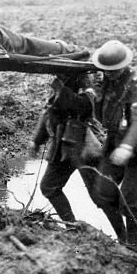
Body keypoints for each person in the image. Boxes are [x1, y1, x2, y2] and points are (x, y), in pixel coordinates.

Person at [87, 40, 137, 250]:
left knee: (129, 199)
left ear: (123, 66)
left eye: (113, 70)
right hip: (114, 143)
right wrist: (98, 94)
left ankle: (131, 246)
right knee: (102, 193)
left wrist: (127, 147)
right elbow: (101, 117)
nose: (109, 74)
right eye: (105, 70)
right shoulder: (107, 83)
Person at [30, 73, 99, 224]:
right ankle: (71, 225)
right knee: (49, 186)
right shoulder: (59, 82)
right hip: (63, 147)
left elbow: (85, 107)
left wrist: (62, 91)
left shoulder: (83, 80)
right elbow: (49, 111)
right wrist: (37, 140)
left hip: (82, 145)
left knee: (100, 196)